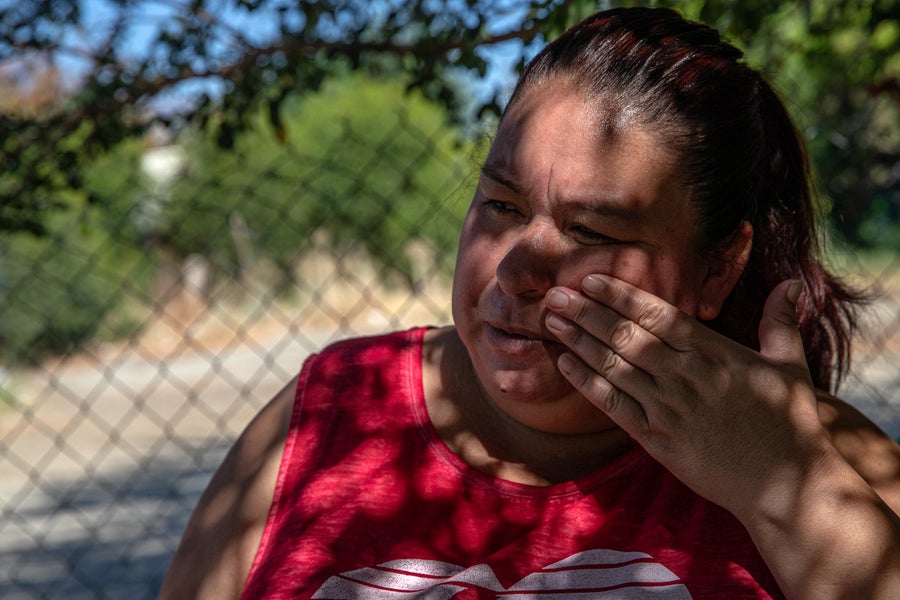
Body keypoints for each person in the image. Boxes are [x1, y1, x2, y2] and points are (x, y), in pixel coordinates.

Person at [160, 7, 900, 599]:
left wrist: (784, 491)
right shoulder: (324, 413)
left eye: (591, 229)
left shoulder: (799, 450)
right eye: (501, 206)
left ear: (718, 269)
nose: (517, 269)